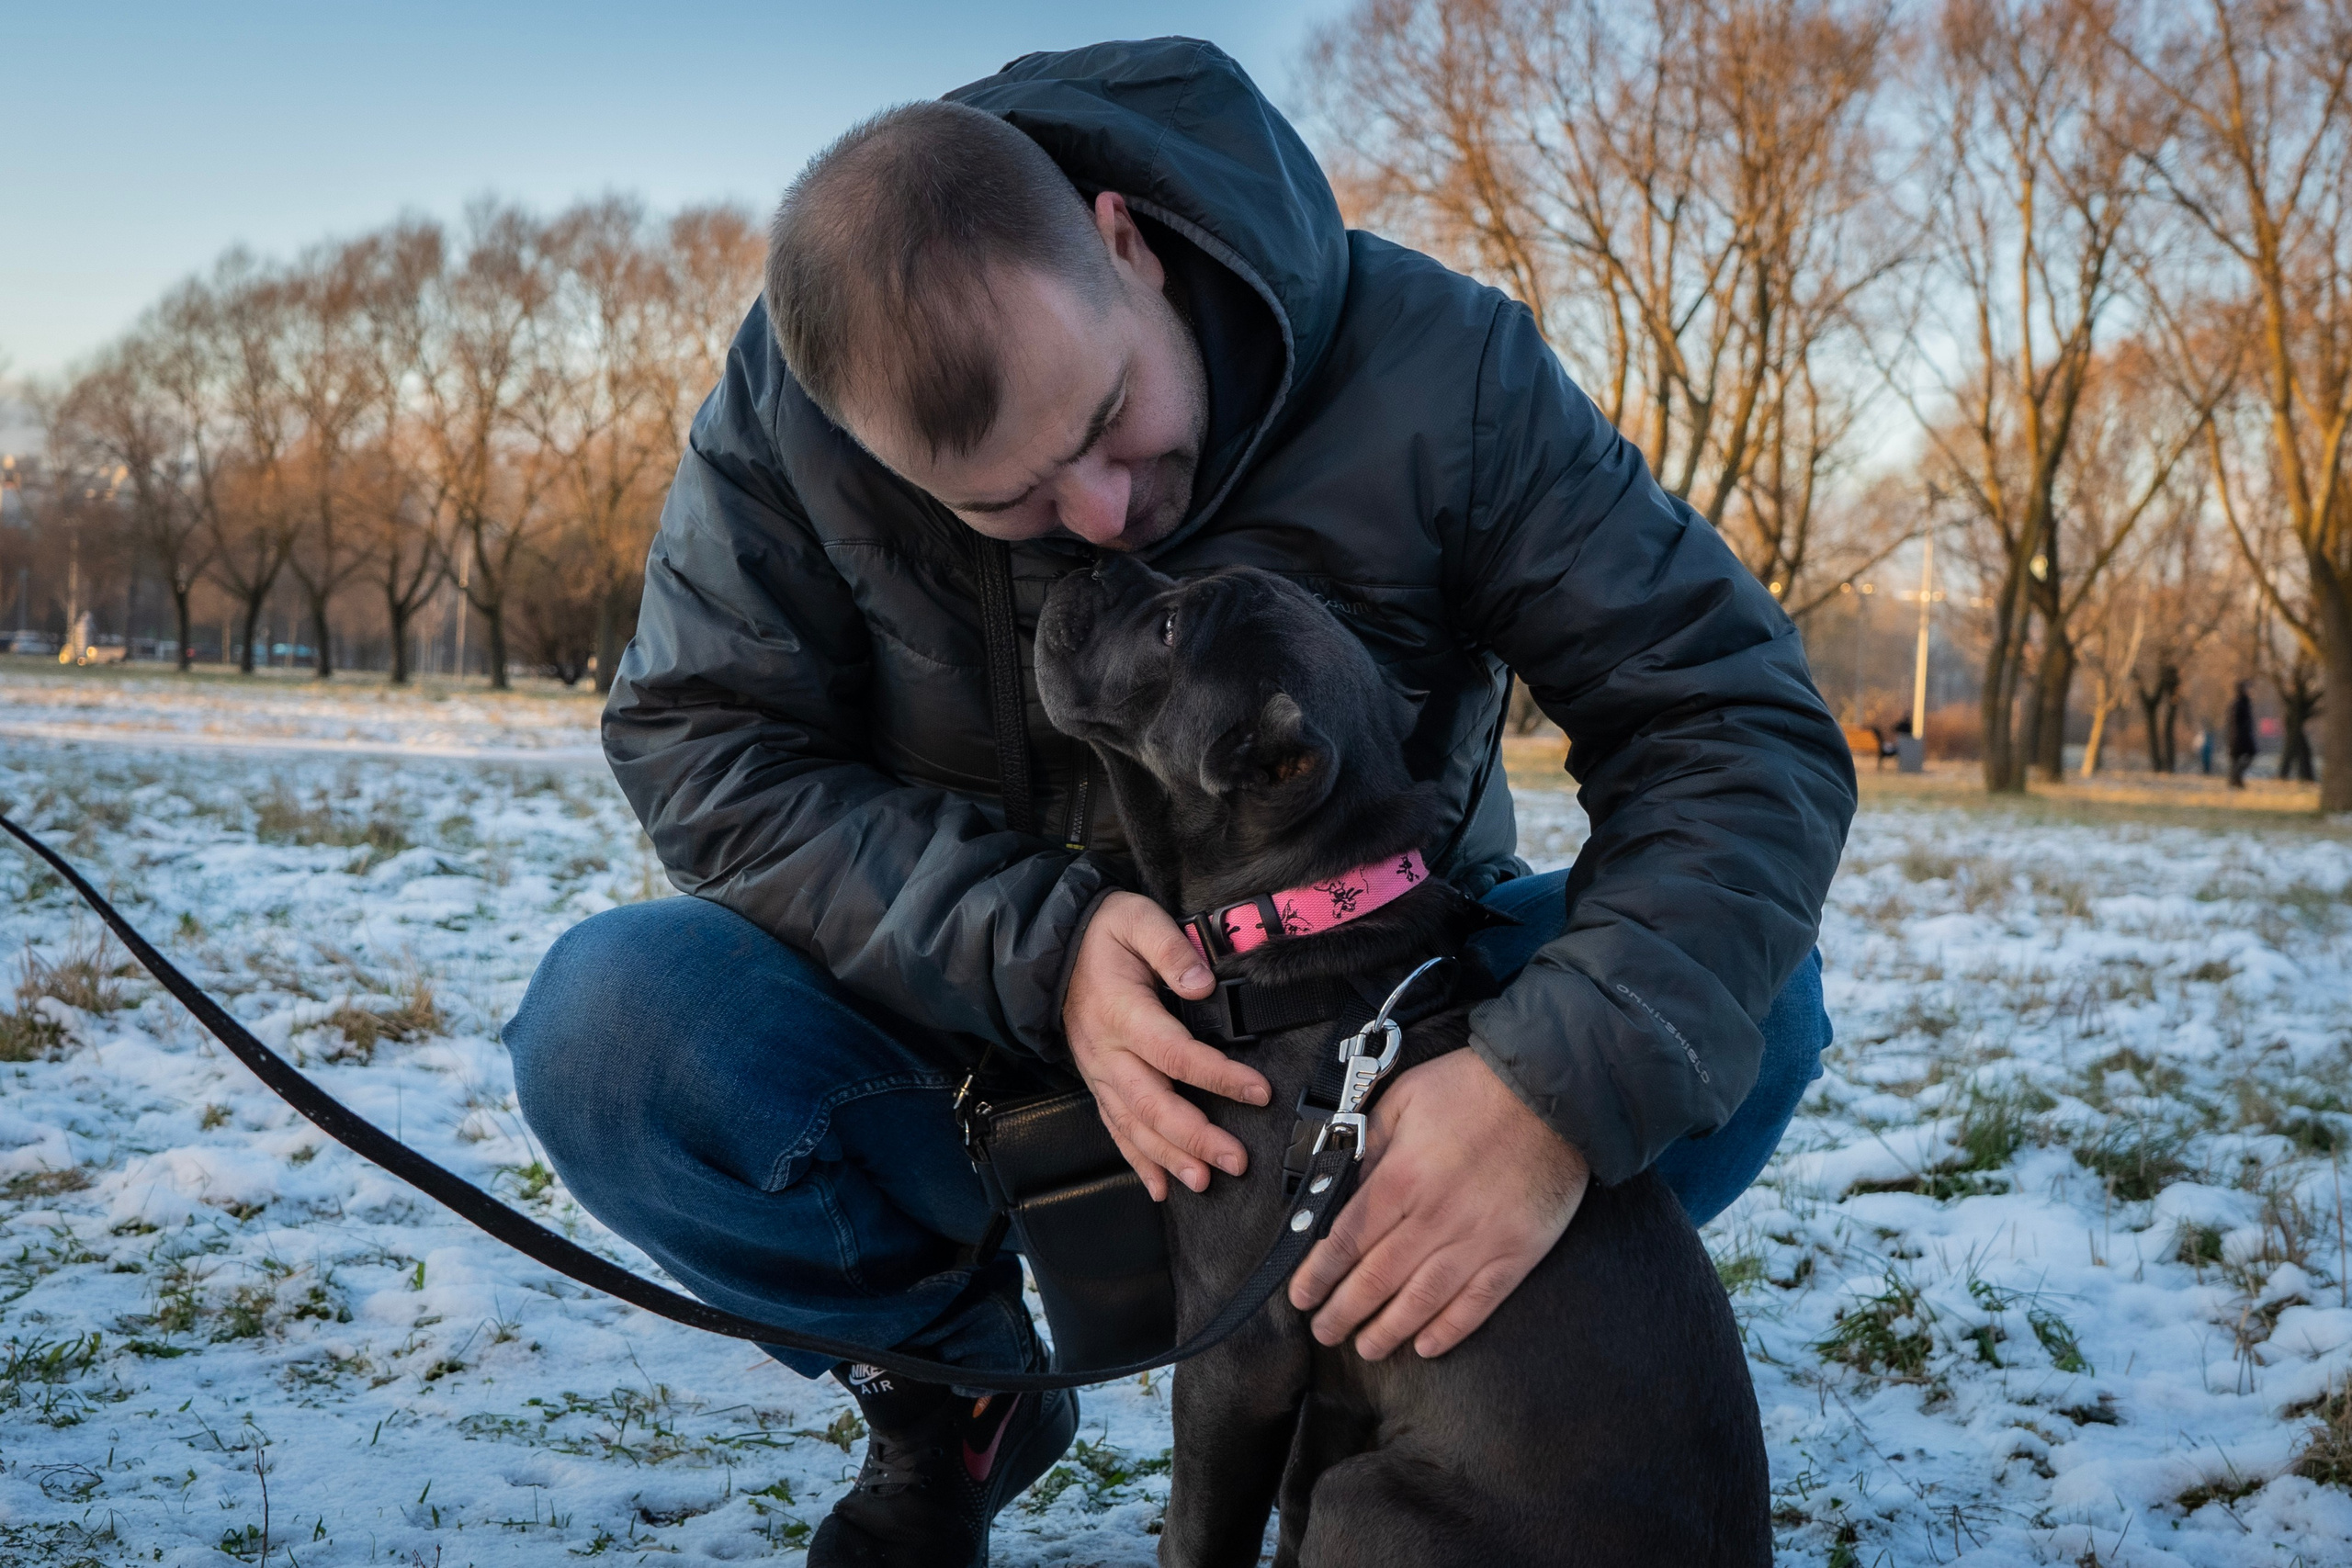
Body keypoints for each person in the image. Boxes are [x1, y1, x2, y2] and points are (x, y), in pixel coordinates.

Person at [502, 39, 1854, 1568]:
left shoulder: (1441, 371)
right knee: (607, 1028)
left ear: (1122, 240)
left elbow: (1734, 721)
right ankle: (954, 1392)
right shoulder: (799, 413)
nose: (1096, 518)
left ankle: (1409, 1365)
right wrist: (1041, 946)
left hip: (1378, 1062)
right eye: (1004, 506)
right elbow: (699, 740)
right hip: (992, 1055)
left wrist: (1549, 1088)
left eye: (1107, 420)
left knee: (1747, 1007)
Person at [2230, 681, 2258, 788]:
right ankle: (2236, 779)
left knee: (2238, 760)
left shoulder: (2245, 703)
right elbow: (2236, 723)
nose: (2249, 691)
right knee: (2247, 755)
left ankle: (2236, 780)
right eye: (2247, 688)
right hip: (2241, 737)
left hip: (2244, 736)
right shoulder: (2239, 704)